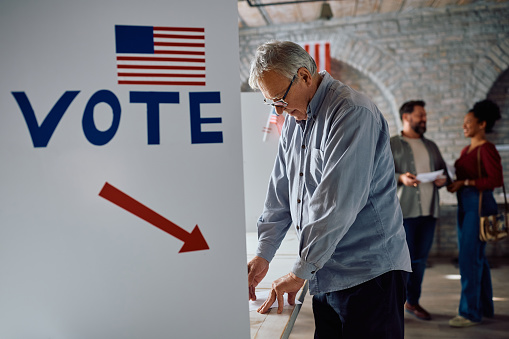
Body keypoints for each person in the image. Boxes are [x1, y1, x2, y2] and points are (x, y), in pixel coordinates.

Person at [246, 40, 411, 338]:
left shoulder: (351, 112)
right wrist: (263, 253)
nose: (279, 112)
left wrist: (299, 271)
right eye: (272, 104)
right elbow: (281, 192)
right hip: (327, 270)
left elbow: (336, 204)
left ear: (305, 76)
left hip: (369, 274)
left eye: (280, 100)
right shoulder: (297, 119)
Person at [390, 100, 450, 321]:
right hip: (403, 214)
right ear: (406, 117)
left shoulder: (431, 146)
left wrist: (443, 179)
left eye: (424, 115)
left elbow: (444, 173)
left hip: (429, 213)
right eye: (420, 115)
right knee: (402, 262)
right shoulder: (393, 144)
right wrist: (400, 177)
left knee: (420, 261)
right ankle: (395, 305)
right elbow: (378, 175)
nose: (424, 119)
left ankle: (412, 302)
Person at [447, 99, 503, 327]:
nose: (465, 126)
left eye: (469, 122)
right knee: (477, 259)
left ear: (482, 123)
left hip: (479, 205)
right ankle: (485, 308)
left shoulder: (486, 148)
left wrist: (466, 181)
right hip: (466, 204)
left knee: (469, 259)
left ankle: (470, 312)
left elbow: (496, 180)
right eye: (464, 123)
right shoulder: (466, 149)